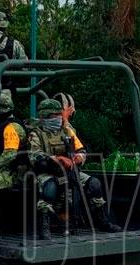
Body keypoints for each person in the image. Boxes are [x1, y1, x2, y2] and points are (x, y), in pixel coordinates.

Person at [29, 98, 121, 239]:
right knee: (50, 188)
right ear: (45, 116)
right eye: (54, 115)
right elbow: (35, 156)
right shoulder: (36, 134)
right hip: (48, 172)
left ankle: (102, 221)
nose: (59, 118)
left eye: (59, 115)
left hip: (70, 171)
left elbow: (81, 149)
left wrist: (79, 157)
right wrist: (57, 159)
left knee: (94, 184)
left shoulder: (67, 130)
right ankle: (44, 227)